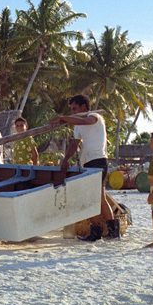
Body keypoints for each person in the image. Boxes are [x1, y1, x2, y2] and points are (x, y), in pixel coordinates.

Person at [48, 94, 119, 241]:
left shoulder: (95, 117)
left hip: (98, 161)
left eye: (75, 109)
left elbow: (87, 121)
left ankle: (104, 232)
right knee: (98, 197)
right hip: (88, 162)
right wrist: (65, 159)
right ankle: (103, 232)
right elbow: (74, 144)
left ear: (84, 107)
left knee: (94, 198)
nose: (73, 112)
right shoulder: (78, 124)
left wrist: (63, 118)